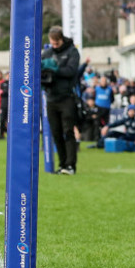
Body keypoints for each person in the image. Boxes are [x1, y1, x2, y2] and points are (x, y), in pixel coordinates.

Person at [41, 26, 81, 175]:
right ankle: (62, 164)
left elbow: (72, 71)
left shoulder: (71, 52)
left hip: (66, 97)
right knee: (56, 133)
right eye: (52, 43)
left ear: (61, 39)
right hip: (51, 97)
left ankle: (71, 165)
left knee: (68, 131)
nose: (54, 46)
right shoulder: (47, 53)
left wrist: (55, 69)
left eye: (56, 43)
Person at [0, 71, 10, 140]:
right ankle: (1, 134)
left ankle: (10, 134)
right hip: (4, 104)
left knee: (10, 120)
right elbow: (2, 93)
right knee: (2, 119)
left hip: (11, 105)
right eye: (7, 75)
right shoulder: (3, 84)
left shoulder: (13, 83)